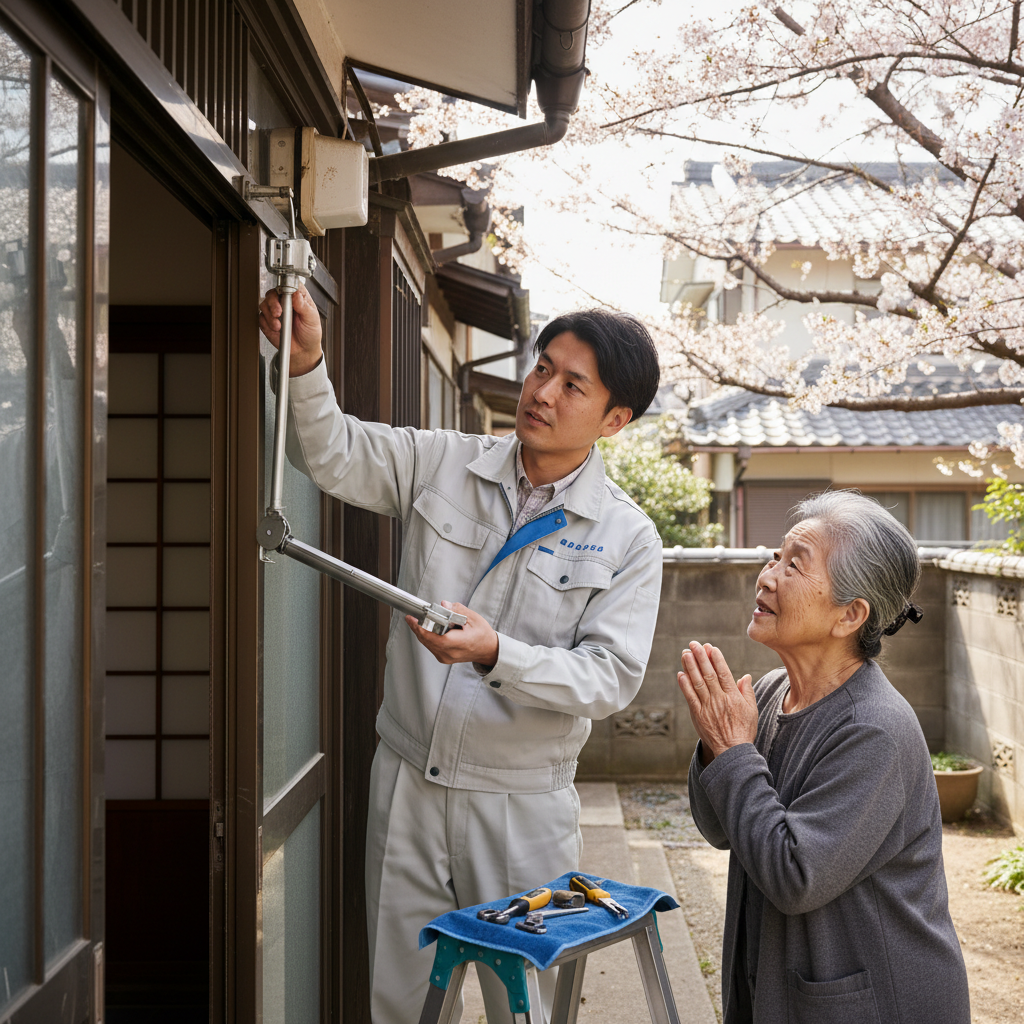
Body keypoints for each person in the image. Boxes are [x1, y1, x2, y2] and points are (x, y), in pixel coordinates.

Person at [259, 287, 664, 1023]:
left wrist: (497, 653)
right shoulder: (444, 461)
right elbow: (331, 452)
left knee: (524, 1007)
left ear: (615, 420)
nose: (541, 392)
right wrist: (307, 362)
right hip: (407, 779)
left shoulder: (628, 537)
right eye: (542, 369)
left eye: (572, 384)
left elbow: (610, 678)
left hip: (522, 803)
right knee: (399, 996)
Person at [677, 490, 970, 1024]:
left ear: (849, 615)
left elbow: (795, 876)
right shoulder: (769, 691)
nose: (767, 576)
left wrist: (735, 749)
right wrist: (717, 743)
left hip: (877, 1003)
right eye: (775, 556)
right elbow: (721, 828)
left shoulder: (874, 728)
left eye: (795, 565)